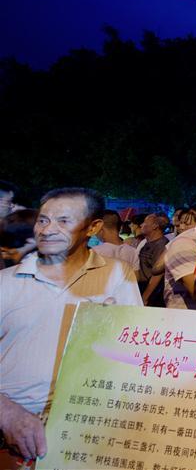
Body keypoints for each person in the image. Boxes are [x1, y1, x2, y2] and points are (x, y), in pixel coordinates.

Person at [0, 187, 142, 462]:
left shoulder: (116, 274)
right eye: (43, 220)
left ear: (93, 227)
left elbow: (132, 352)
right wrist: (7, 414)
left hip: (81, 436)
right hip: (10, 441)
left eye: (63, 221)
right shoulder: (5, 283)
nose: (47, 230)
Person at [135, 213, 170, 306]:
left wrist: (145, 297)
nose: (141, 225)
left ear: (155, 226)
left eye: (145, 222)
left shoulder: (162, 245)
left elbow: (158, 274)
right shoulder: (146, 243)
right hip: (142, 287)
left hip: (153, 293)